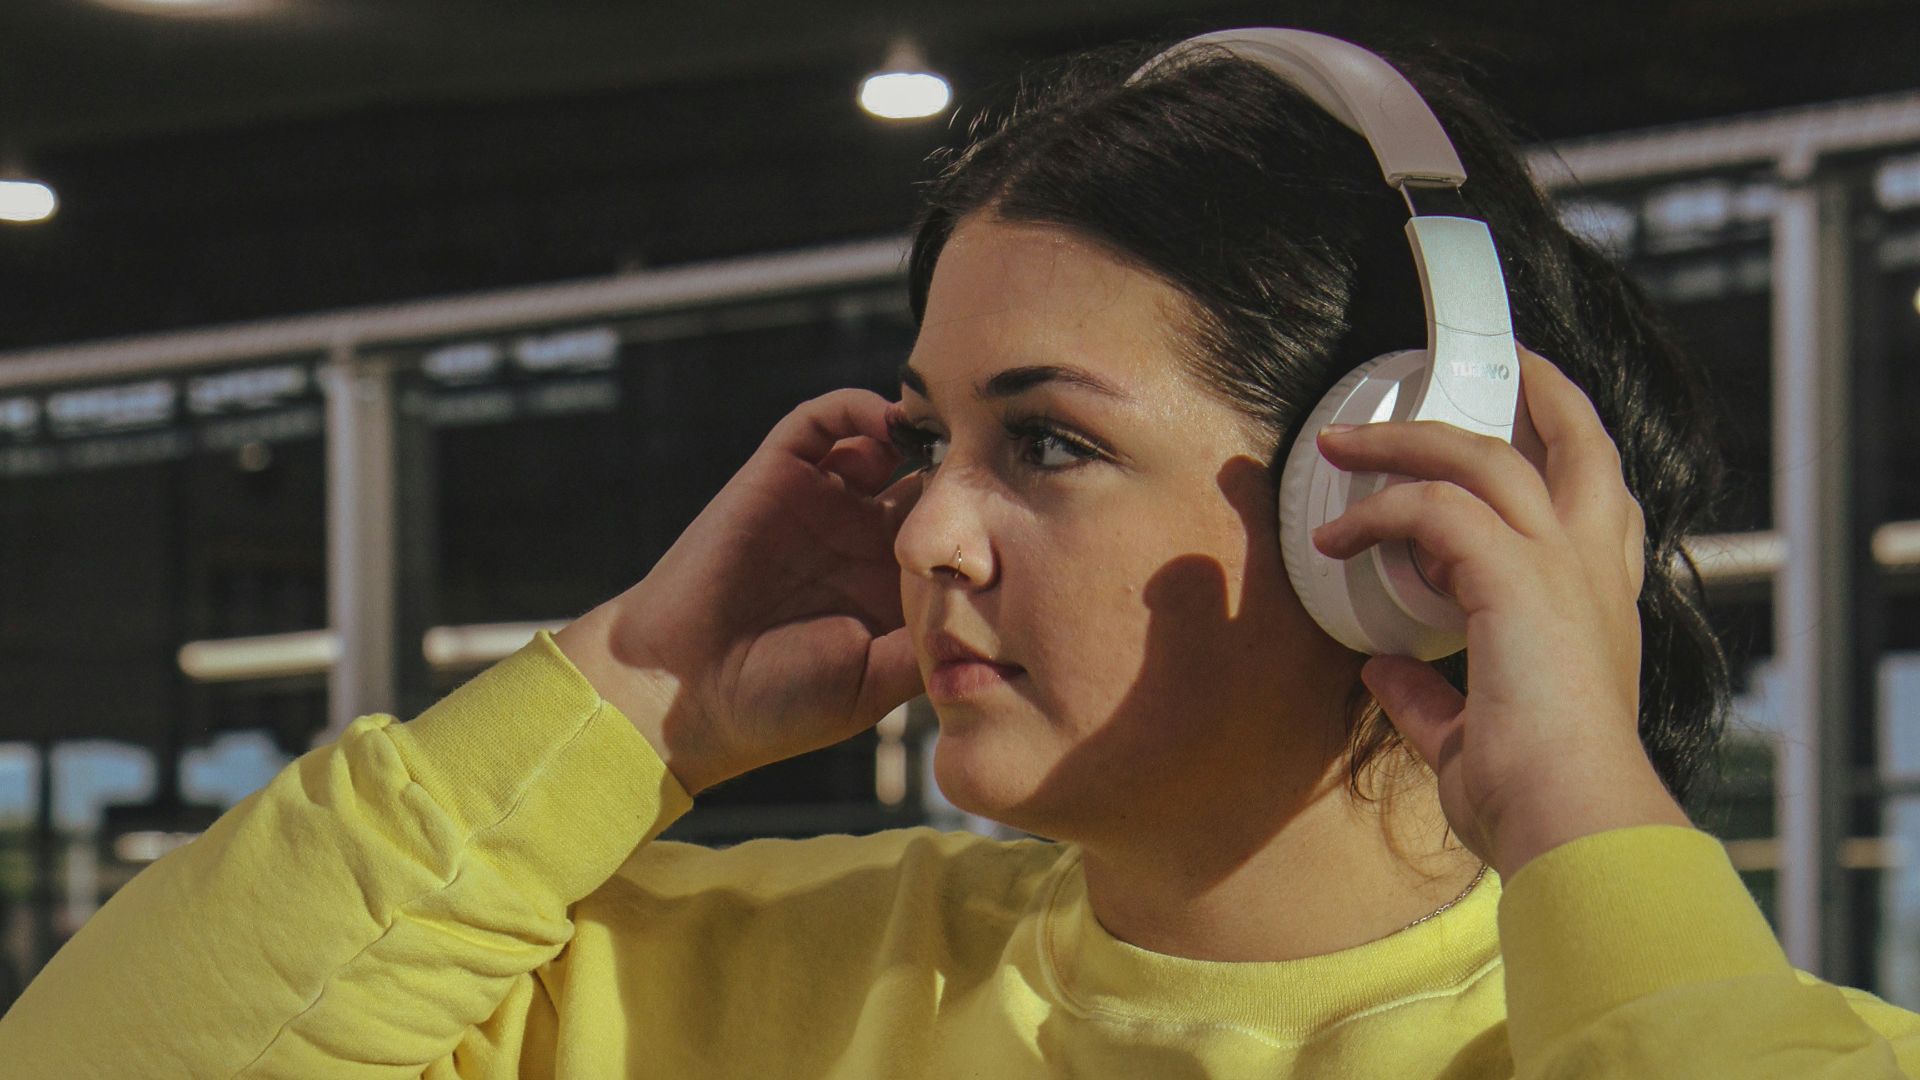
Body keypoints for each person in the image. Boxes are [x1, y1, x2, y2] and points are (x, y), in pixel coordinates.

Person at [4, 26, 1919, 1079]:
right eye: (934, 441)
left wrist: (1591, 817)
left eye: (1051, 445)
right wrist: (634, 700)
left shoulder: (1653, 1039)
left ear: (1392, 513)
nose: (925, 529)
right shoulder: (725, 991)